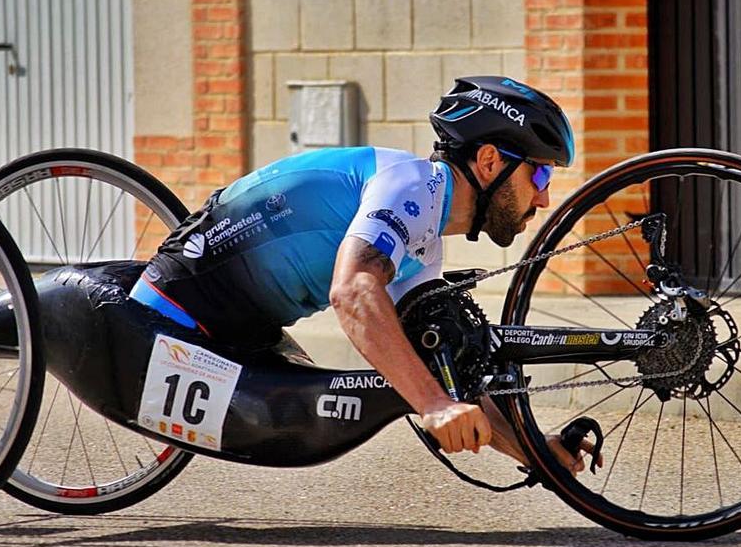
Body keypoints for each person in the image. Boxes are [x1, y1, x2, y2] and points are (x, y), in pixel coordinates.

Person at [130, 76, 599, 474]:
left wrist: (540, 453)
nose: (543, 199)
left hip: (239, 334)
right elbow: (353, 290)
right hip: (174, 310)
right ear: (490, 161)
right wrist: (433, 406)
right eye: (539, 178)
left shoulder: (424, 241)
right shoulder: (410, 184)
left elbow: (447, 371)